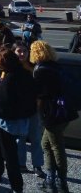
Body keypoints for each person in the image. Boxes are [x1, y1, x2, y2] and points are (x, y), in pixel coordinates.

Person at [0, 48, 37, 193]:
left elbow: (1, 106)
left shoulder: (9, 79)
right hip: (20, 120)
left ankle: (15, 188)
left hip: (6, 123)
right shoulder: (25, 74)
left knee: (10, 156)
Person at [31, 40, 77, 193]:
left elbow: (41, 94)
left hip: (51, 114)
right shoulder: (54, 66)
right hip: (63, 112)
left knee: (56, 146)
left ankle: (60, 182)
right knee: (47, 144)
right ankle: (51, 179)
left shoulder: (41, 70)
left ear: (35, 53)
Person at [12, 43, 46, 180]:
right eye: (19, 51)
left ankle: (37, 166)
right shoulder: (11, 68)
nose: (22, 54)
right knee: (20, 139)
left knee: (36, 139)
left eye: (24, 51)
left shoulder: (34, 67)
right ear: (14, 52)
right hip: (18, 110)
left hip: (34, 109)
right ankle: (21, 164)